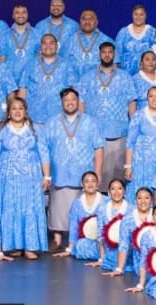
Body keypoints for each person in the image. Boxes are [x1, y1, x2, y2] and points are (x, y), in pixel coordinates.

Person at [42, 88, 104, 250]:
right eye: (66, 100)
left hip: (82, 172)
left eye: (73, 99)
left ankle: (82, 238)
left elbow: (98, 147)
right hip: (59, 171)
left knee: (81, 205)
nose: (70, 102)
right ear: (61, 102)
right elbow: (44, 148)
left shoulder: (90, 122)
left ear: (78, 101)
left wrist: (97, 172)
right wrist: (47, 174)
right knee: (58, 206)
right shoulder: (52, 122)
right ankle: (57, 238)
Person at [0, 97, 50, 259]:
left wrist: (47, 176)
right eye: (14, 108)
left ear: (25, 111)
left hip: (31, 175)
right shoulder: (2, 130)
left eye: (20, 108)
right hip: (8, 176)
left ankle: (30, 246)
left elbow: (44, 153)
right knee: (11, 206)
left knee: (29, 207)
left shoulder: (34, 129)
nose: (17, 111)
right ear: (9, 112)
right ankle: (13, 245)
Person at [76, 42, 136, 188]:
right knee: (98, 175)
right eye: (104, 52)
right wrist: (81, 126)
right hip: (95, 132)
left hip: (119, 131)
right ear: (99, 54)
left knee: (117, 176)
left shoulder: (125, 77)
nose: (107, 55)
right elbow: (81, 102)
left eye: (110, 52)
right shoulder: (87, 77)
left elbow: (131, 102)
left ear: (114, 55)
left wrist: (134, 125)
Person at [19, 33, 76, 129]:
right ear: (40, 46)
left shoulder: (67, 64)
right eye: (44, 43)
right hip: (34, 117)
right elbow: (22, 90)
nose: (48, 46)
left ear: (57, 46)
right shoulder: (30, 64)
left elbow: (74, 90)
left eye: (51, 43)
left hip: (59, 117)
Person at [53, 171, 103, 260]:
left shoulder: (106, 201)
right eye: (87, 181)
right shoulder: (77, 204)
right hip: (86, 241)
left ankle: (105, 256)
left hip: (103, 241)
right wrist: (69, 249)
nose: (90, 184)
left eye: (93, 181)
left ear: (97, 183)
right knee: (81, 246)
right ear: (82, 184)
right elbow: (74, 228)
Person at [105, 187, 154, 276]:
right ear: (135, 200)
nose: (143, 201)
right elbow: (123, 244)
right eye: (139, 198)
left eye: (146, 198)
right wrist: (119, 269)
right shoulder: (128, 219)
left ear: (151, 200)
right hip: (140, 258)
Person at [93, 179, 130, 272]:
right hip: (109, 249)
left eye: (120, 188)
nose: (116, 192)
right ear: (109, 192)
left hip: (127, 249)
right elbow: (100, 234)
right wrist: (101, 259)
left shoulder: (131, 209)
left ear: (124, 191)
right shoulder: (102, 208)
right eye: (113, 189)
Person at [64, 9, 116, 77]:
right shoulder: (70, 41)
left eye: (91, 19)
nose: (87, 21)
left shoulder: (107, 40)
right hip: (74, 85)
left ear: (96, 22)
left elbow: (115, 65)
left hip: (100, 84)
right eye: (84, 19)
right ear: (80, 22)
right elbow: (62, 64)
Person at [115, 4, 156, 75]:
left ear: (145, 16)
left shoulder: (152, 32)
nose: (138, 17)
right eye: (136, 14)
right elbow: (117, 54)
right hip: (126, 74)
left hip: (146, 75)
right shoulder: (123, 32)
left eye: (141, 14)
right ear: (132, 15)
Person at [2, 3, 41, 74]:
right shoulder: (4, 36)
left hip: (30, 78)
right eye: (17, 12)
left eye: (23, 12)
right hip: (9, 79)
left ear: (27, 15)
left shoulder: (38, 35)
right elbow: (1, 62)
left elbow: (40, 60)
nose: (20, 15)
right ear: (13, 16)